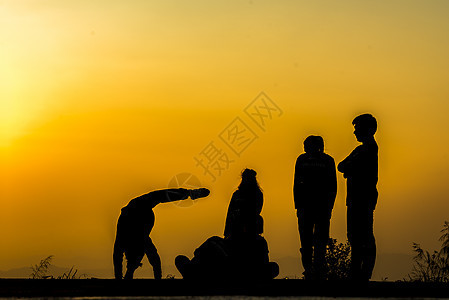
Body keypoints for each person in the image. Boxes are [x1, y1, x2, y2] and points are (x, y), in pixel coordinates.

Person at [113, 187, 210, 280]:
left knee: (158, 196)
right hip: (137, 222)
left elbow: (154, 261)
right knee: (158, 197)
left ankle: (189, 193)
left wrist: (188, 193)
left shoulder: (124, 240)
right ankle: (130, 271)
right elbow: (155, 261)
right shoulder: (141, 240)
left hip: (134, 214)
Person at [338, 113, 378, 281]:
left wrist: (350, 169)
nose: (354, 132)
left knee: (363, 235)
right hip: (355, 198)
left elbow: (348, 167)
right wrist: (350, 169)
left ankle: (362, 273)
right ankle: (357, 272)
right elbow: (341, 166)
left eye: (357, 128)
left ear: (368, 129)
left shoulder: (368, 149)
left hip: (363, 197)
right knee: (355, 235)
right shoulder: (360, 150)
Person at [293, 135, 337, 279]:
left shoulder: (325, 161)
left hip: (318, 207)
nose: (304, 148)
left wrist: (329, 206)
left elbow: (332, 186)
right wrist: (298, 205)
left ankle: (315, 269)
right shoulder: (304, 160)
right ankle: (311, 269)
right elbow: (296, 184)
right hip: (311, 207)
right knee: (309, 240)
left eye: (306, 145)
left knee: (315, 239)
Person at [224, 168, 263, 238]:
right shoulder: (237, 194)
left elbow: (257, 210)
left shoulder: (257, 194)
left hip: (251, 226)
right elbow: (229, 213)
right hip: (236, 226)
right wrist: (227, 233)